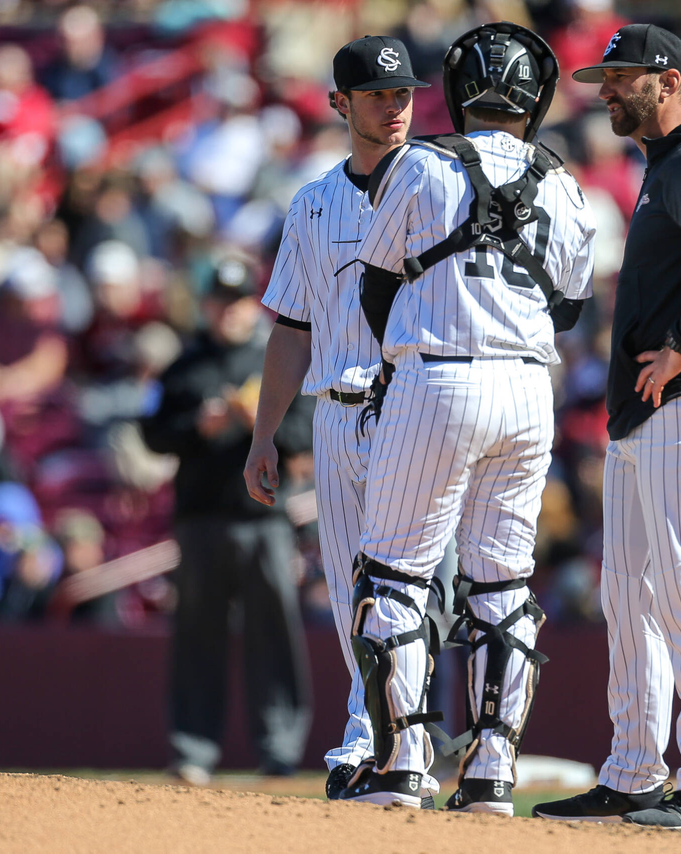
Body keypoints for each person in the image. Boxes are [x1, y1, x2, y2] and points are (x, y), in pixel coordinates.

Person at [337, 22, 596, 814]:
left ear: (456, 91)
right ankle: (491, 773)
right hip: (526, 389)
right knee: (503, 585)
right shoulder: (562, 180)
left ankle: (404, 761)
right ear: (537, 96)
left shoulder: (420, 162)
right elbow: (574, 306)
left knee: (395, 575)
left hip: (437, 374)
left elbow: (375, 281)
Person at [534, 24, 681, 831]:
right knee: (630, 596)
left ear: (666, 81)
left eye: (619, 77)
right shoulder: (669, 165)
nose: (604, 90)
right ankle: (635, 770)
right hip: (652, 413)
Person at [241, 35, 434, 805]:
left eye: (403, 94)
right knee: (353, 585)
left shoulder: (440, 186)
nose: (394, 107)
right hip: (335, 408)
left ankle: (393, 745)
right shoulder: (313, 201)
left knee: (403, 586)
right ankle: (373, 737)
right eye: (378, 94)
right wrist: (264, 433)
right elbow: (291, 327)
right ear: (339, 102)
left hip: (415, 408)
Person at [141, 259, 315, 785]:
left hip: (264, 518)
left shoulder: (278, 357)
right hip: (201, 519)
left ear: (252, 304)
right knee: (198, 637)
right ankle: (192, 749)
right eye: (220, 300)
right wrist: (197, 424)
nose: (229, 311)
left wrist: (255, 422)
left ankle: (279, 749)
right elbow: (153, 433)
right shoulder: (185, 365)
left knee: (274, 636)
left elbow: (307, 433)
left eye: (238, 301)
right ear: (206, 304)